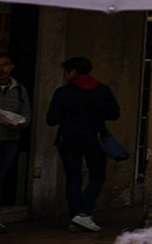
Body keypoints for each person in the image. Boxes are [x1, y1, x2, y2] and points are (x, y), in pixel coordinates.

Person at [46, 56, 119, 232]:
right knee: (97, 175)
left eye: (66, 71)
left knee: (73, 179)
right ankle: (85, 213)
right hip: (94, 139)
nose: (65, 75)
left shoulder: (62, 93)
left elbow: (51, 119)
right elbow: (114, 113)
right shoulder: (102, 90)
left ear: (73, 72)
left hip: (68, 140)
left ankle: (75, 218)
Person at [0, 52, 29, 228]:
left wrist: (20, 124)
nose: (1, 69)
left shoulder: (19, 90)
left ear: (11, 67)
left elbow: (27, 113)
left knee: (1, 177)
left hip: (10, 140)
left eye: (4, 64)